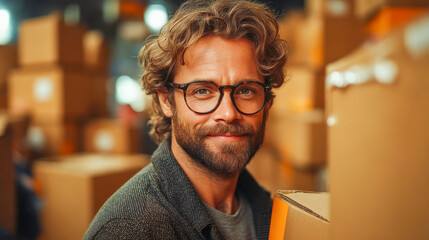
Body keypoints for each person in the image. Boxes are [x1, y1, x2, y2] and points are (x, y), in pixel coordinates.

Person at [84, 0, 287, 239]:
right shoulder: (129, 229)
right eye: (202, 91)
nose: (228, 113)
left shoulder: (267, 209)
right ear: (166, 101)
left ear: (268, 102)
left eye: (246, 90)